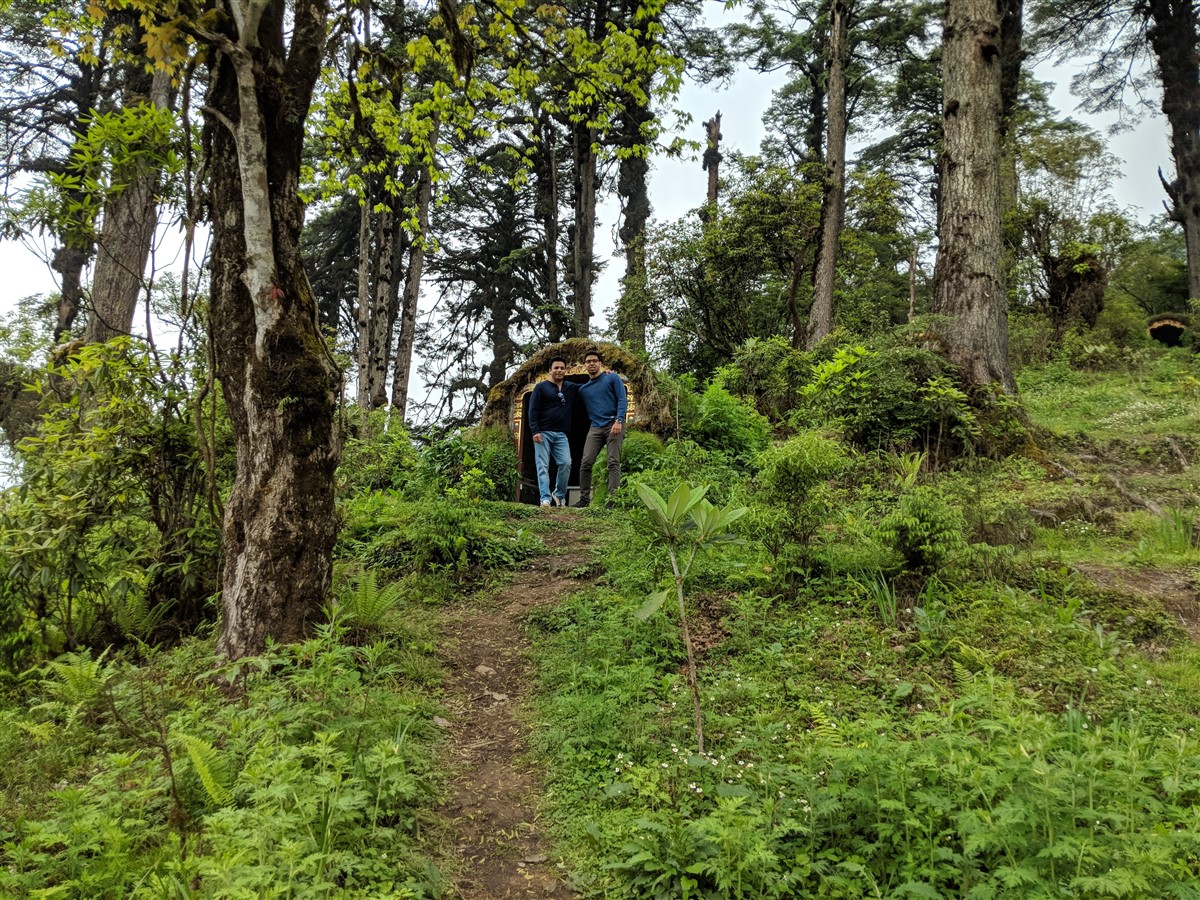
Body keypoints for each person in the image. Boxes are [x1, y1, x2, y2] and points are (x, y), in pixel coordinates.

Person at [576, 348, 628, 509]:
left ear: (600, 363)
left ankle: (613, 500)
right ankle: (584, 499)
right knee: (586, 462)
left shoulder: (611, 377)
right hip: (596, 427)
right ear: (584, 365)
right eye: (588, 361)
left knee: (613, 462)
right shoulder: (583, 390)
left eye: (594, 361)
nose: (591, 363)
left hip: (614, 423)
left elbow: (622, 399)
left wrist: (619, 420)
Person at [527, 355, 577, 507]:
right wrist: (535, 430)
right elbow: (532, 411)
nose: (559, 370)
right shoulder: (541, 387)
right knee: (543, 466)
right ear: (550, 370)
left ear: (565, 370)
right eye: (556, 368)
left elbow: (590, 385)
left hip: (561, 434)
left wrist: (604, 374)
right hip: (543, 433)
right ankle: (545, 498)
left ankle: (559, 494)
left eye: (562, 368)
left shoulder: (570, 387)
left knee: (566, 463)